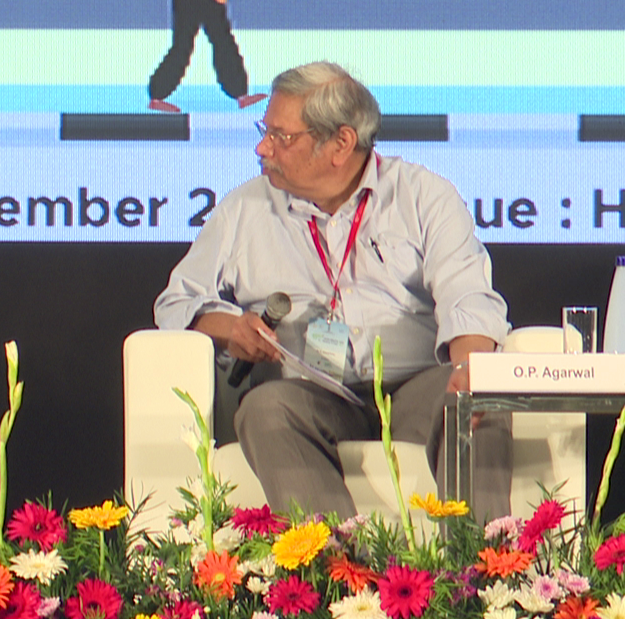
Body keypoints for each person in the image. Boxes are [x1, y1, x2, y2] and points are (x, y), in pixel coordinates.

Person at [153, 61, 513, 520]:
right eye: (265, 131)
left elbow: (467, 295)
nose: (263, 148)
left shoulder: (424, 195)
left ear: (341, 143)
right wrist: (230, 328)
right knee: (264, 408)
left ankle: (483, 561)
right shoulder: (245, 209)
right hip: (313, 394)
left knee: (480, 397)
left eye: (281, 137)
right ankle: (334, 560)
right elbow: (175, 303)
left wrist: (468, 366)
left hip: (414, 387)